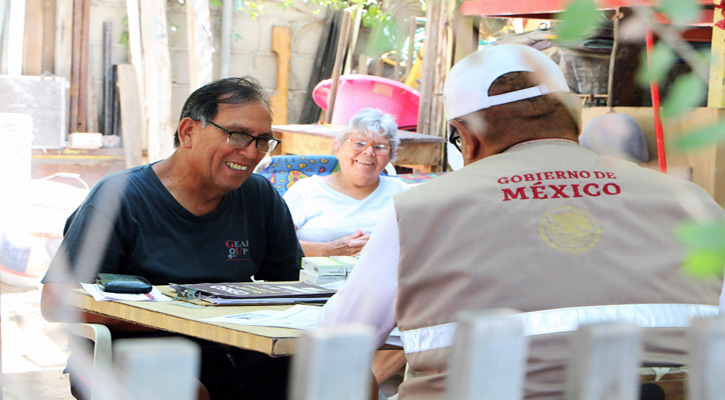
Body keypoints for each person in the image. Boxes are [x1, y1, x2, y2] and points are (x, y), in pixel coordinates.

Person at [319, 44, 724, 399]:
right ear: (575, 118)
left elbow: (339, 345)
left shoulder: (419, 210)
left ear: (467, 137)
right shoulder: (692, 202)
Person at [41, 77, 303, 400]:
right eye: (238, 135)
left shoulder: (260, 196)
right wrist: (190, 317)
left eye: (263, 141)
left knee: (350, 375)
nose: (250, 153)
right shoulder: (120, 197)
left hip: (234, 350)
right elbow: (56, 302)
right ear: (188, 132)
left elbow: (288, 289)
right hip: (125, 355)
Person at [283, 108, 409, 257]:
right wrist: (327, 250)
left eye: (380, 147)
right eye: (359, 143)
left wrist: (385, 246)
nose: (369, 152)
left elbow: (424, 244)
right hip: (312, 278)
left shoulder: (402, 194)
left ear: (390, 155)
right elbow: (272, 245)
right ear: (338, 148)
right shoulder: (306, 190)